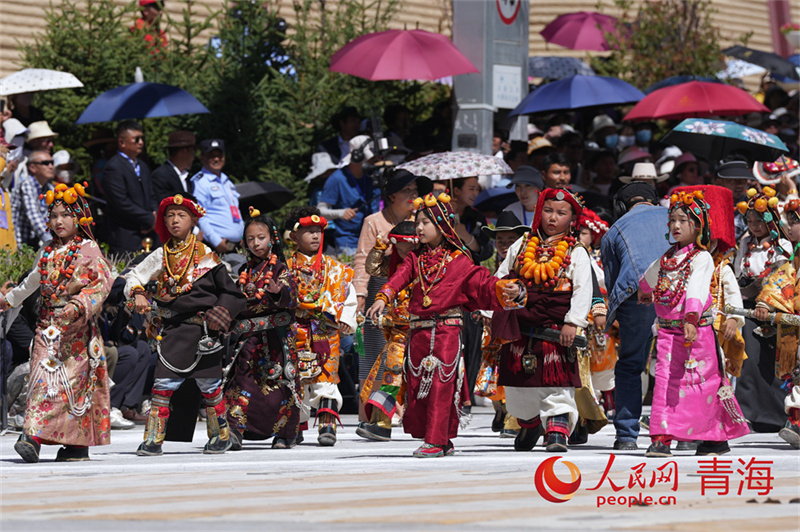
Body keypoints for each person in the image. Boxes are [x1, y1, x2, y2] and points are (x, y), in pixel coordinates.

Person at [366, 192, 526, 458]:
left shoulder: (459, 261)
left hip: (447, 332)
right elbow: (397, 279)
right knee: (419, 387)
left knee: (441, 385)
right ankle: (439, 438)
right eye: (417, 223)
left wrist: (505, 289)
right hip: (417, 332)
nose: (418, 228)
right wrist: (383, 297)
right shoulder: (415, 259)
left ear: (441, 225)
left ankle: (437, 441)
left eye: (425, 223)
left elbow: (483, 284)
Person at [124, 194, 247, 456]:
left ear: (193, 219)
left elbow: (232, 293)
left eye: (181, 215)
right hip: (173, 331)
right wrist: (137, 292)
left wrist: (221, 313)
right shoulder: (160, 256)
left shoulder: (208, 257)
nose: (175, 220)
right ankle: (153, 439)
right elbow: (134, 275)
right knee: (162, 386)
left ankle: (220, 436)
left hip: (205, 332)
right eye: (169, 215)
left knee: (211, 388)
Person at [1, 182, 113, 463]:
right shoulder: (47, 251)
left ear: (79, 217)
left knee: (74, 388)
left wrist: (78, 304)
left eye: (65, 214)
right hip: (48, 328)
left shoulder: (89, 249)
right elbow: (31, 282)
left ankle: (76, 446)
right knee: (42, 380)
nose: (58, 221)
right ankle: (32, 437)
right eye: (53, 216)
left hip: (77, 333)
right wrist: (10, 299)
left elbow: (101, 283)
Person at [638, 189, 749, 457]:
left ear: (697, 226)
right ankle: (661, 438)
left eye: (682, 221)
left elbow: (697, 290)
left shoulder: (702, 258)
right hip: (667, 334)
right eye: (672, 220)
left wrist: (691, 316)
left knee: (703, 388)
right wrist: (643, 291)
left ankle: (713, 438)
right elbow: (645, 281)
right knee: (665, 383)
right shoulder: (666, 259)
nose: (675, 226)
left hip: (697, 335)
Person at [491, 188, 592, 453]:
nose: (552, 218)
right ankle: (530, 423)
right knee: (517, 389)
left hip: (556, 330)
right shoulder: (523, 244)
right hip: (519, 327)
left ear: (572, 220)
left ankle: (556, 431)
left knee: (556, 385)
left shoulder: (576, 251)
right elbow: (500, 277)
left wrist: (574, 322)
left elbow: (584, 289)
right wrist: (505, 292)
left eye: (561, 213)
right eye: (548, 210)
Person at [353, 169, 431, 420]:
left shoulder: (422, 221)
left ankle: (410, 410)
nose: (412, 195)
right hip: (380, 290)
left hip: (415, 294)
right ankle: (373, 413)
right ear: (392, 195)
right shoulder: (374, 221)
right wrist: (361, 294)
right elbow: (363, 260)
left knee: (412, 354)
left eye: (415, 191)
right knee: (376, 352)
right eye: (406, 190)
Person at [601, 182, 669, 450]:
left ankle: (627, 436)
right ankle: (680, 432)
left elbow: (612, 279)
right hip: (677, 297)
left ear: (621, 206)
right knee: (676, 364)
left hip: (636, 300)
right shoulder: (676, 217)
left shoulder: (613, 230)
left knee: (630, 364)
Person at [226, 208, 300, 450]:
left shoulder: (280, 269)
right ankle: (235, 430)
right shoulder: (244, 272)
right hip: (249, 340)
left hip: (276, 341)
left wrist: (281, 293)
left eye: (261, 237)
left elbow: (293, 298)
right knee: (242, 384)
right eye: (250, 239)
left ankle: (286, 434)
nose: (256, 243)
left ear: (272, 239)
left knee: (280, 389)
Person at [285, 206, 357, 446]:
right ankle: (294, 425)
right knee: (294, 378)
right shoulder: (284, 268)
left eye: (319, 231)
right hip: (294, 330)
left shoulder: (335, 268)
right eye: (309, 231)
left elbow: (348, 293)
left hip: (325, 331)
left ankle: (328, 424)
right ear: (294, 236)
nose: (315, 236)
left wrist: (347, 317)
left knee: (326, 377)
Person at [734, 186, 793, 432]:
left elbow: (782, 279)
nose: (754, 226)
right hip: (748, 307)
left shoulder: (783, 245)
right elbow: (739, 272)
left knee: (774, 362)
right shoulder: (745, 242)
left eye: (759, 220)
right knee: (749, 361)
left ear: (770, 219)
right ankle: (750, 413)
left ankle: (778, 416)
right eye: (749, 221)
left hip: (775, 306)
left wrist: (765, 301)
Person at [356, 221, 419, 441]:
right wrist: (380, 247)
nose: (404, 253)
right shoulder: (393, 265)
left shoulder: (428, 265)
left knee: (423, 378)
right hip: (398, 333)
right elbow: (371, 267)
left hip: (425, 331)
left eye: (408, 248)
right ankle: (381, 423)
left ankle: (427, 422)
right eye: (399, 248)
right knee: (391, 375)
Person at [476, 211, 529, 438]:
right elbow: (484, 287)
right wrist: (482, 310)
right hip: (493, 324)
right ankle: (500, 410)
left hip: (514, 322)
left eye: (510, 241)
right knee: (492, 367)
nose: (504, 245)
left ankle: (511, 415)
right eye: (500, 241)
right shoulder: (489, 261)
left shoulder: (526, 260)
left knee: (511, 366)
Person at [756, 199, 800, 448]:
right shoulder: (792, 260)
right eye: (789, 223)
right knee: (797, 375)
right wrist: (765, 304)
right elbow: (780, 281)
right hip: (795, 325)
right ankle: (795, 423)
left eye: (794, 223)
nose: (789, 228)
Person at [575, 208, 616, 419]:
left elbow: (606, 283)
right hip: (579, 317)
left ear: (593, 235)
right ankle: (587, 403)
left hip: (599, 317)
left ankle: (608, 399)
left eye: (583, 232)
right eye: (576, 232)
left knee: (604, 360)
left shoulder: (601, 259)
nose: (579, 237)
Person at [101, 120, 158, 255]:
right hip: (125, 236)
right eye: (136, 139)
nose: (141, 143)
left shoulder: (143, 166)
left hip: (148, 233)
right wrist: (150, 219)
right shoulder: (114, 167)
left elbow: (152, 195)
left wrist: (155, 213)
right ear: (122, 142)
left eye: (142, 138)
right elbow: (121, 203)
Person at [317, 135, 381, 255]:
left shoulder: (374, 176)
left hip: (375, 241)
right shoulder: (337, 179)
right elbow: (319, 211)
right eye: (370, 158)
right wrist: (341, 213)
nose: (373, 161)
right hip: (349, 245)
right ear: (357, 156)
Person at [191, 139, 244, 257]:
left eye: (219, 155)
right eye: (211, 156)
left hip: (237, 246)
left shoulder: (226, 181)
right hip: (217, 248)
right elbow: (200, 216)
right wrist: (216, 241)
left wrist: (244, 235)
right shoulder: (199, 182)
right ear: (202, 157)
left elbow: (236, 212)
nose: (216, 159)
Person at [11, 150, 54, 249]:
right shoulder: (26, 185)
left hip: (35, 241)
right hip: (19, 243)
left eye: (52, 163)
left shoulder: (49, 188)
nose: (51, 166)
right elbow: (33, 215)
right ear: (32, 168)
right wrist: (51, 243)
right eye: (45, 163)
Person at [151, 130, 196, 202]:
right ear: (183, 152)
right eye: (193, 153)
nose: (194, 157)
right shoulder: (161, 176)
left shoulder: (186, 177)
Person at [714, 160, 751, 242]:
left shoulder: (752, 206)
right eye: (733, 180)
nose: (739, 184)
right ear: (720, 181)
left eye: (743, 180)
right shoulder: (711, 205)